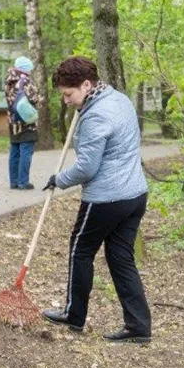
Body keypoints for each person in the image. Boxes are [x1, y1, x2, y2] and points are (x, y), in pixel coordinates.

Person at [41, 56, 152, 344]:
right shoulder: (118, 99)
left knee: (80, 250)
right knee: (120, 257)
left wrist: (58, 179)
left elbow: (87, 167)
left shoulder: (95, 116)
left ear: (87, 85)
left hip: (107, 198)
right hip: (135, 194)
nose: (66, 101)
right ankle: (139, 326)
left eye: (69, 94)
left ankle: (73, 314)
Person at [4, 56, 42, 190]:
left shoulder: (9, 81)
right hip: (26, 123)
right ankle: (23, 182)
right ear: (26, 69)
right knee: (26, 151)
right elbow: (34, 99)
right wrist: (39, 99)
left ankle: (13, 182)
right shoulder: (25, 81)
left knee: (14, 151)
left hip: (13, 121)